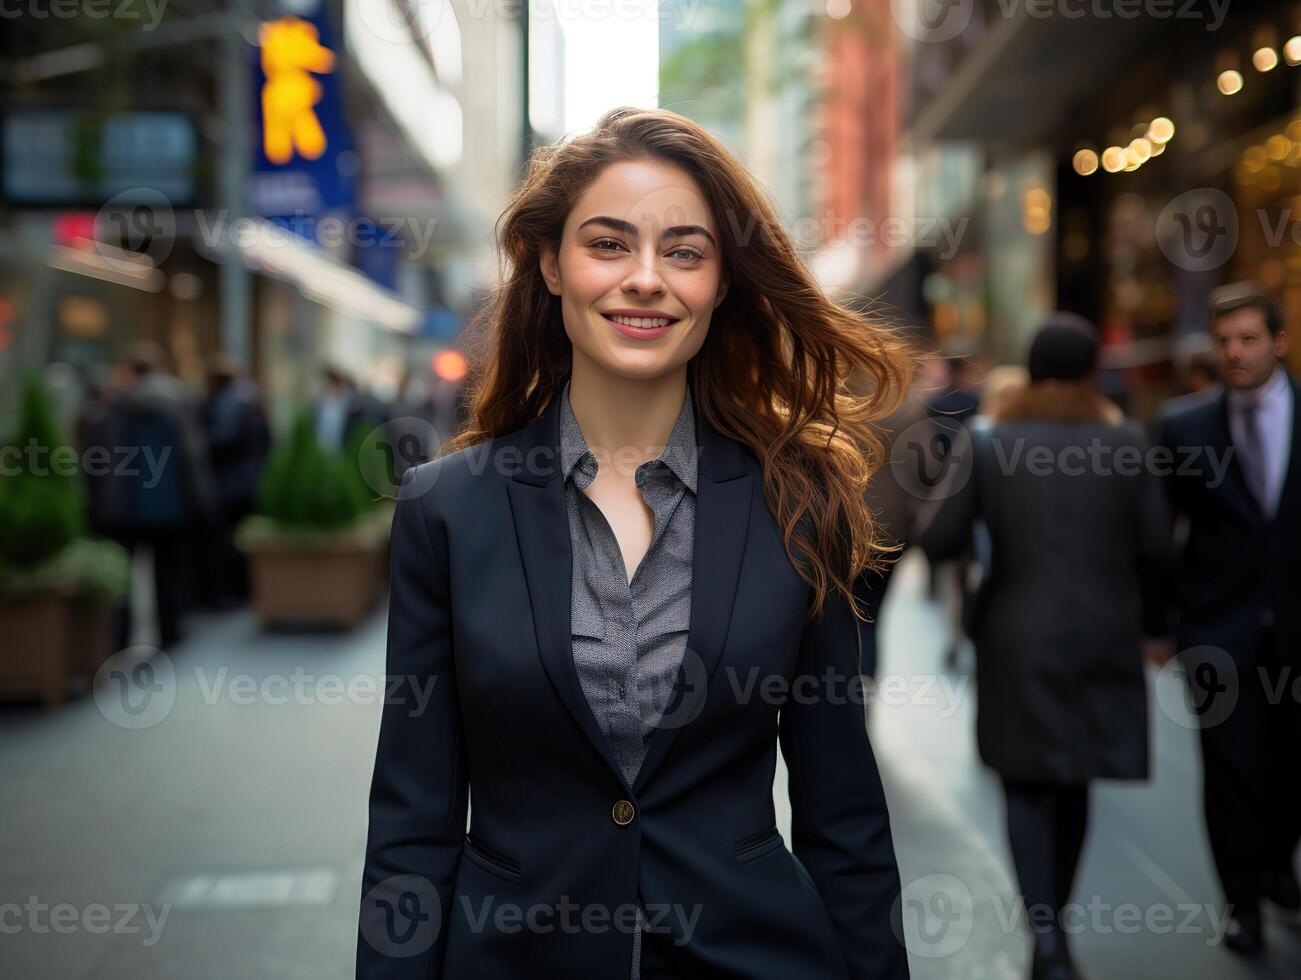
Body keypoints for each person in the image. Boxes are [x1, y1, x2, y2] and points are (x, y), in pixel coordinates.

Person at [355, 107, 911, 979]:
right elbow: (412, 822)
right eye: (608, 244)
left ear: (721, 282)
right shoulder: (446, 510)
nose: (645, 278)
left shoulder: (799, 504)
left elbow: (843, 814)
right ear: (549, 263)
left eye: (684, 252)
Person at [915, 314, 1172, 980]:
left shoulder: (990, 443)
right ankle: (1060, 922)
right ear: (1092, 372)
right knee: (1076, 777)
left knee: (1024, 784)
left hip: (1015, 634)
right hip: (1103, 632)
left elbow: (938, 538)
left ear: (1028, 370)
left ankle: (1045, 939)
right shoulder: (1127, 445)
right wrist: (1153, 630)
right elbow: (1157, 549)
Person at [1153, 284, 1301, 956]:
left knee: (1290, 765)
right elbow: (1159, 534)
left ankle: (1274, 860)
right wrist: (1158, 625)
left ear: (1279, 341)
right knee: (1228, 768)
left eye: (1247, 339)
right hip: (1218, 630)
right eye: (1223, 341)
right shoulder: (1183, 427)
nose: (1234, 353)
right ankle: (1239, 901)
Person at [98, 341, 217, 650]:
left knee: (124, 578)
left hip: (126, 505)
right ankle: (170, 631)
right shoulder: (179, 403)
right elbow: (191, 457)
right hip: (170, 504)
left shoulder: (115, 406)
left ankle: (120, 637)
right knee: (169, 573)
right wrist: (202, 501)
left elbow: (101, 458)